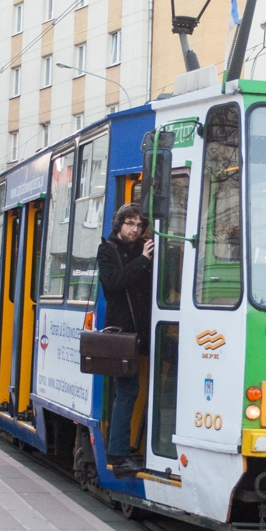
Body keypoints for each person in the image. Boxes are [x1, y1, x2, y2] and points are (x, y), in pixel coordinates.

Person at [97, 203, 153, 477]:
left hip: (145, 331)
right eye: (130, 223)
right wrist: (143, 260)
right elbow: (115, 282)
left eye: (139, 225)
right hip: (121, 334)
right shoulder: (107, 250)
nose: (135, 229)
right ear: (118, 225)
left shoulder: (143, 248)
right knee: (127, 392)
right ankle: (118, 456)